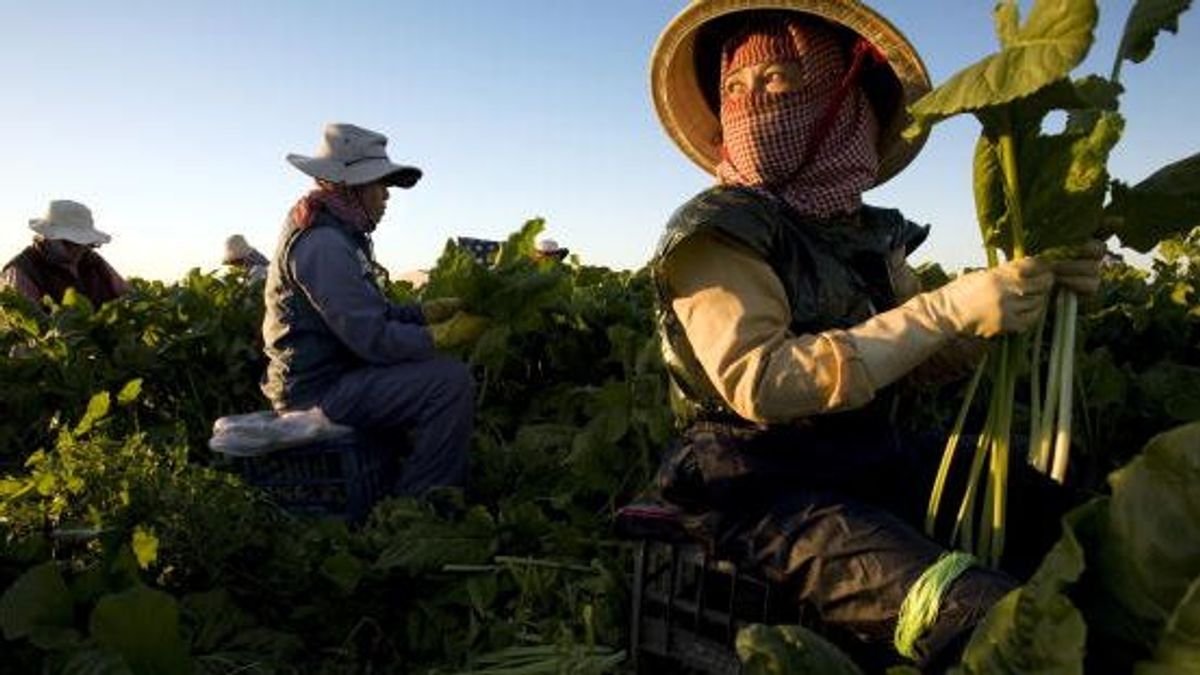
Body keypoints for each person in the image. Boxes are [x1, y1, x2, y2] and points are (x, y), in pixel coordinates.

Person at [646, 2, 1104, 670]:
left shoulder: (865, 231)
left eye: (777, 82)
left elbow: (923, 359)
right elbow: (762, 382)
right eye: (736, 89)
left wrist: (1025, 294)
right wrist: (944, 308)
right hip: (756, 488)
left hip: (865, 456)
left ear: (842, 95)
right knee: (978, 615)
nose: (751, 106)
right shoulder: (717, 230)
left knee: (1059, 511)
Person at [261, 122, 474, 497]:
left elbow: (373, 313)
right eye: (380, 185)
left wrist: (426, 313)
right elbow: (372, 339)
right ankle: (420, 506)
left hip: (333, 378)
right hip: (315, 391)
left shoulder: (340, 232)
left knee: (431, 374)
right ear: (351, 186)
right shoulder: (324, 243)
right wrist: (440, 337)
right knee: (449, 383)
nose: (387, 197)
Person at [1, 199, 129, 308]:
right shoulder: (22, 270)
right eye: (69, 243)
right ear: (47, 237)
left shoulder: (94, 261)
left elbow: (127, 296)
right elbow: (27, 326)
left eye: (83, 243)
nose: (78, 249)